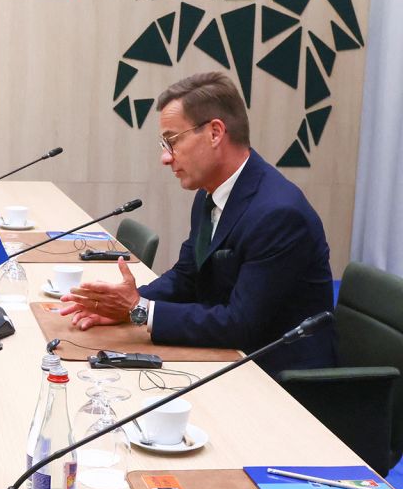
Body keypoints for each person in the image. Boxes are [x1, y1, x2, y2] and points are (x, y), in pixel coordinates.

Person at [59, 71, 336, 374]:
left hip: (279, 381)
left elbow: (241, 324)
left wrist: (141, 311)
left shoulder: (278, 214)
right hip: (226, 357)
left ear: (215, 133)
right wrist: (126, 305)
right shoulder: (212, 193)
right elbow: (187, 276)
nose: (166, 158)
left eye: (172, 141)